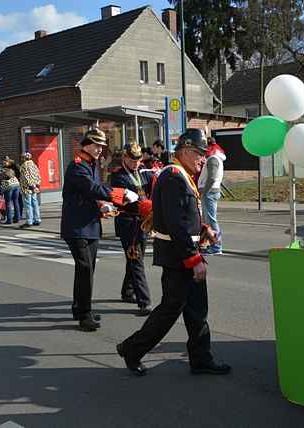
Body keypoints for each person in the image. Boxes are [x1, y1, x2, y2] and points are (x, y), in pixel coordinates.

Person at [117, 128, 231, 377]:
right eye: (200, 154)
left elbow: (183, 216)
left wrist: (203, 229)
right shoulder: (173, 176)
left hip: (186, 252)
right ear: (186, 151)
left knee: (197, 309)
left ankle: (201, 358)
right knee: (170, 310)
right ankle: (132, 349)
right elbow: (175, 223)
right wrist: (193, 260)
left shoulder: (182, 175)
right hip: (179, 257)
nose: (203, 159)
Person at [61, 128, 139, 332]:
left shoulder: (91, 165)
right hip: (77, 227)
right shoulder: (77, 166)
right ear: (85, 144)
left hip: (90, 225)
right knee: (85, 268)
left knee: (87, 270)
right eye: (96, 145)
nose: (99, 149)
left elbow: (90, 195)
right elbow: (92, 188)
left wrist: (101, 206)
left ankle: (80, 309)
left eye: (101, 146)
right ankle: (84, 315)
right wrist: (119, 194)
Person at [110, 141, 154, 316]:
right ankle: (144, 302)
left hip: (143, 222)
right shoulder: (118, 176)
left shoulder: (144, 172)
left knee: (136, 257)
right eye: (132, 159)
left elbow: (153, 187)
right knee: (136, 259)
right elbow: (118, 199)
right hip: (128, 223)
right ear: (125, 157)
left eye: (138, 159)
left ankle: (127, 291)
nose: (136, 162)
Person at [198, 137, 226, 255]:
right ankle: (212, 245)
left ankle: (216, 247)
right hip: (211, 191)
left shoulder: (213, 159)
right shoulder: (216, 157)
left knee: (211, 220)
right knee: (209, 220)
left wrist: (204, 191)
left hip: (209, 192)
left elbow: (212, 177)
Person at [19, 152, 42, 228]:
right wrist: (37, 185)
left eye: (22, 158)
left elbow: (26, 177)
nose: (21, 159)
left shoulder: (24, 166)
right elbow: (38, 174)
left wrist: (31, 186)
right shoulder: (33, 165)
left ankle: (29, 221)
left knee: (28, 204)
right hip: (34, 187)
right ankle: (37, 219)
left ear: (24, 158)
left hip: (27, 188)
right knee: (35, 203)